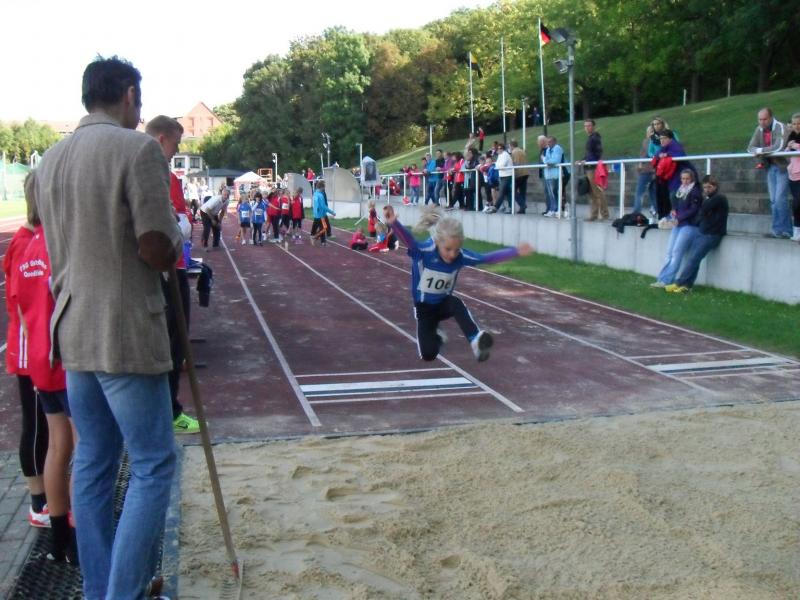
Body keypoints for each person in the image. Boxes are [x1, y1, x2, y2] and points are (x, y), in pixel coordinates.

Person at [34, 55, 182, 600]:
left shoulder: (50, 160)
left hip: (73, 329)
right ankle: (123, 592)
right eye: (139, 100)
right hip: (124, 331)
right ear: (127, 95)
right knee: (153, 464)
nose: (139, 111)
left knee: (94, 463)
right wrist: (176, 238)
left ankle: (99, 589)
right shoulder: (137, 150)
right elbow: (155, 246)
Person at [16, 176, 78, 562]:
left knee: (57, 447)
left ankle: (59, 537)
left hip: (41, 360)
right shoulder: (60, 244)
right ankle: (81, 536)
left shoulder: (28, 247)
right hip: (67, 360)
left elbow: (22, 313)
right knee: (86, 450)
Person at [383, 204, 533, 362]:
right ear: (438, 242)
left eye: (456, 249)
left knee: (456, 304)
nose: (452, 254)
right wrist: (394, 223)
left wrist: (515, 251)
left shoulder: (461, 256)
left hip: (444, 304)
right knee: (428, 354)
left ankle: (475, 340)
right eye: (448, 249)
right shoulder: (424, 252)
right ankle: (437, 334)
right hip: (424, 309)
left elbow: (486, 258)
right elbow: (409, 241)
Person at [145, 115, 200, 436]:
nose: (176, 151)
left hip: (155, 269)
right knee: (173, 343)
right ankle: (169, 412)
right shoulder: (163, 177)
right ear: (162, 139)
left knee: (163, 344)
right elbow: (180, 227)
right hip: (169, 267)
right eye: (176, 144)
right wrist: (181, 225)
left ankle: (163, 411)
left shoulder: (142, 173)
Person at [4, 174, 49, 529]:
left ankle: (47, 495)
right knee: (35, 425)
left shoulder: (39, 238)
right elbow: (22, 303)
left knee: (47, 425)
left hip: (39, 344)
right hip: (30, 349)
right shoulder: (24, 242)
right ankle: (37, 502)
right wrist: (38, 347)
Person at [666, 175, 729, 293]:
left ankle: (679, 283)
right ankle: (686, 286)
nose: (706, 190)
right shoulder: (709, 198)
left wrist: (702, 204)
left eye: (709, 187)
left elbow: (703, 209)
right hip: (703, 232)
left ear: (715, 187)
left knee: (694, 259)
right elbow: (702, 212)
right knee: (694, 259)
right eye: (705, 187)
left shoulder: (719, 198)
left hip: (712, 234)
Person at [650, 169, 703, 288]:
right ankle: (662, 278)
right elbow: (678, 204)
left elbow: (693, 209)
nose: (685, 181)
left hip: (688, 225)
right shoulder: (681, 189)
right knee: (669, 252)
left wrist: (679, 217)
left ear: (692, 179)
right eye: (683, 178)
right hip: (678, 223)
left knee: (676, 253)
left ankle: (667, 280)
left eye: (687, 179)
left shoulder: (695, 191)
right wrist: (674, 211)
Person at [747, 107, 793, 238]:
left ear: (771, 117)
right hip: (770, 167)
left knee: (780, 199)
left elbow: (778, 146)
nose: (762, 122)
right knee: (773, 200)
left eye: (764, 119)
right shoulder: (759, 129)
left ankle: (787, 230)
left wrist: (760, 151)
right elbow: (750, 148)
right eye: (759, 119)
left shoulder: (780, 127)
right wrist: (759, 150)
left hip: (783, 167)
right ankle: (777, 230)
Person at [581, 119, 609, 221]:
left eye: (589, 125)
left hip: (593, 168)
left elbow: (597, 153)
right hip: (589, 167)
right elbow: (589, 153)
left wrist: (587, 160)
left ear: (593, 126)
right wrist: (583, 159)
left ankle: (604, 214)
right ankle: (594, 214)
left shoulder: (595, 138)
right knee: (592, 193)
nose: (587, 128)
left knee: (597, 192)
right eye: (585, 126)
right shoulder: (590, 138)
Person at [633, 125, 657, 217]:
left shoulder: (649, 141)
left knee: (640, 193)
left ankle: (636, 212)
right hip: (651, 170)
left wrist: (640, 166)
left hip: (647, 170)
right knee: (653, 193)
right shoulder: (652, 141)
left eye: (650, 132)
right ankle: (657, 211)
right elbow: (642, 155)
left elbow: (647, 154)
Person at [786, 112, 800, 242]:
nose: (796, 126)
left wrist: (795, 146)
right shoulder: (791, 137)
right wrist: (789, 146)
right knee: (796, 204)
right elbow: (786, 151)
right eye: (794, 123)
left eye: (799, 123)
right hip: (793, 176)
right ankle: (796, 230)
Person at [487, 143, 513, 213]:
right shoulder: (500, 155)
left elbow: (501, 165)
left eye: (500, 148)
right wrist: (497, 165)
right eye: (497, 149)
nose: (498, 150)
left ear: (503, 149)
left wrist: (497, 165)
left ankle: (495, 207)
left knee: (501, 192)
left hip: (507, 175)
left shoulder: (505, 155)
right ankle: (513, 207)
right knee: (508, 193)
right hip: (502, 176)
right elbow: (497, 164)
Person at [542, 136, 564, 217]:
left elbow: (555, 161)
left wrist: (545, 160)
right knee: (550, 194)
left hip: (555, 175)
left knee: (555, 193)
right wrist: (547, 161)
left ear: (554, 142)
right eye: (547, 142)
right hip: (548, 175)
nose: (548, 143)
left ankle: (556, 209)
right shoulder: (548, 149)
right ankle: (552, 209)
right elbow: (548, 162)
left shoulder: (557, 148)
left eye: (550, 142)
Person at [311, 180, 335, 246]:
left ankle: (322, 241)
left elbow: (315, 205)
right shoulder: (320, 195)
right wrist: (332, 212)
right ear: (322, 187)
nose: (324, 188)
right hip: (321, 215)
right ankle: (315, 237)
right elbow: (323, 206)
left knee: (322, 227)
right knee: (324, 228)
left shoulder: (315, 194)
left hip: (317, 214)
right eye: (324, 187)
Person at [509, 140, 529, 214]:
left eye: (509, 146)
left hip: (519, 173)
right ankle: (522, 209)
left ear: (511, 146)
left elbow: (516, 163)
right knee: (522, 191)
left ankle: (522, 205)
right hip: (525, 172)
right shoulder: (522, 151)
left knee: (512, 190)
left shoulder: (514, 152)